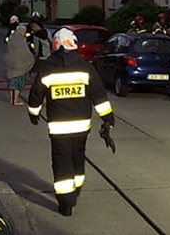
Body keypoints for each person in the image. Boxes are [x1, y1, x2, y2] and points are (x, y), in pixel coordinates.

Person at [27, 28, 115, 217]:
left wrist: (34, 114)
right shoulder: (85, 67)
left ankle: (66, 203)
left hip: (58, 127)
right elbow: (99, 96)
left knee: (61, 161)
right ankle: (75, 190)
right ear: (73, 44)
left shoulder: (47, 68)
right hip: (81, 126)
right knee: (78, 156)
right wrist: (108, 119)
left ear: (55, 45)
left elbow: (36, 94)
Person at [4, 26, 35, 106]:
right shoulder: (21, 40)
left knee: (11, 83)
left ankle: (12, 100)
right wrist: (32, 59)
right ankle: (15, 100)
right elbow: (25, 53)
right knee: (17, 84)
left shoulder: (11, 38)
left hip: (10, 63)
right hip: (20, 66)